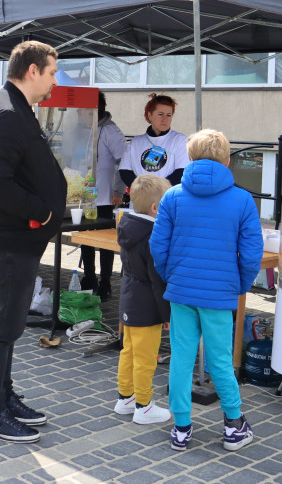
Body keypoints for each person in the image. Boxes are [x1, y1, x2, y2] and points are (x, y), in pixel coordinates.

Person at [0, 40, 65, 444]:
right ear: (32, 71)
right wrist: (41, 212)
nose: (54, 80)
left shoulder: (14, 108)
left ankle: (4, 398)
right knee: (2, 327)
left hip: (18, 239)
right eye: (51, 72)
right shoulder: (8, 113)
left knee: (9, 326)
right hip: (11, 239)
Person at [150, 129, 262, 452]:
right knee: (221, 361)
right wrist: (237, 286)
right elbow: (252, 254)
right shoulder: (242, 200)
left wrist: (172, 276)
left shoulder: (172, 196)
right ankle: (233, 425)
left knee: (181, 360)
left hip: (181, 294)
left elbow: (158, 247)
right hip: (220, 296)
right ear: (228, 161)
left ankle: (181, 428)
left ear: (190, 158)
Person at [114, 174, 172, 425]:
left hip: (129, 297)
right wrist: (166, 315)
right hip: (147, 303)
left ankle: (125, 398)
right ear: (155, 208)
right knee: (146, 358)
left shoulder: (127, 227)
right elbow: (157, 280)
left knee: (128, 351)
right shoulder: (152, 236)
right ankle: (144, 405)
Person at [80, 90, 128, 298]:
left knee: (104, 243)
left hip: (105, 197)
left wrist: (118, 190)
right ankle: (88, 278)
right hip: (85, 197)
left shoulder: (110, 131)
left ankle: (105, 282)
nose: (78, 114)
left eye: (81, 109)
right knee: (86, 240)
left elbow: (124, 162)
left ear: (93, 109)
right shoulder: (81, 130)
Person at [120, 93, 189, 189]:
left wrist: (157, 191)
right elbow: (125, 171)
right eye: (160, 114)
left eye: (169, 115)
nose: (165, 119)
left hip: (166, 200)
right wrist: (143, 191)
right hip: (140, 200)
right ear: (149, 115)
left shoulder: (180, 140)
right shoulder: (135, 142)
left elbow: (182, 171)